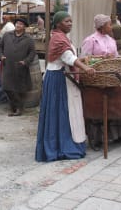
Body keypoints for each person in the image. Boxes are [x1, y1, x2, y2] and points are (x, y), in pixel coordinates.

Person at [35, 11, 95, 162]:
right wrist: (84, 68)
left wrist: (82, 61)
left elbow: (69, 57)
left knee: (66, 112)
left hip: (61, 76)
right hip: (58, 79)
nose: (70, 24)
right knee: (62, 112)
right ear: (58, 24)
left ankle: (65, 143)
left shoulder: (61, 37)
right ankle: (62, 146)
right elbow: (68, 57)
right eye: (67, 21)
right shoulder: (58, 38)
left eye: (71, 21)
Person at [80, 14, 121, 149]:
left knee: (119, 99)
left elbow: (116, 57)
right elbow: (84, 59)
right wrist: (101, 57)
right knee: (98, 107)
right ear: (102, 26)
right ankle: (97, 139)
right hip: (96, 79)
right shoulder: (90, 40)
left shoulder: (111, 40)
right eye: (109, 24)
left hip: (112, 78)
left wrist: (117, 58)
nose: (111, 27)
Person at [0, 17, 36, 116]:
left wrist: (26, 61)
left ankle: (18, 108)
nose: (18, 25)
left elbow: (32, 52)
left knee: (20, 88)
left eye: (21, 24)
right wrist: (1, 56)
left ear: (24, 27)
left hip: (20, 66)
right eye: (17, 23)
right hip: (8, 65)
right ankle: (14, 106)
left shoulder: (29, 39)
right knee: (7, 87)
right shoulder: (6, 35)